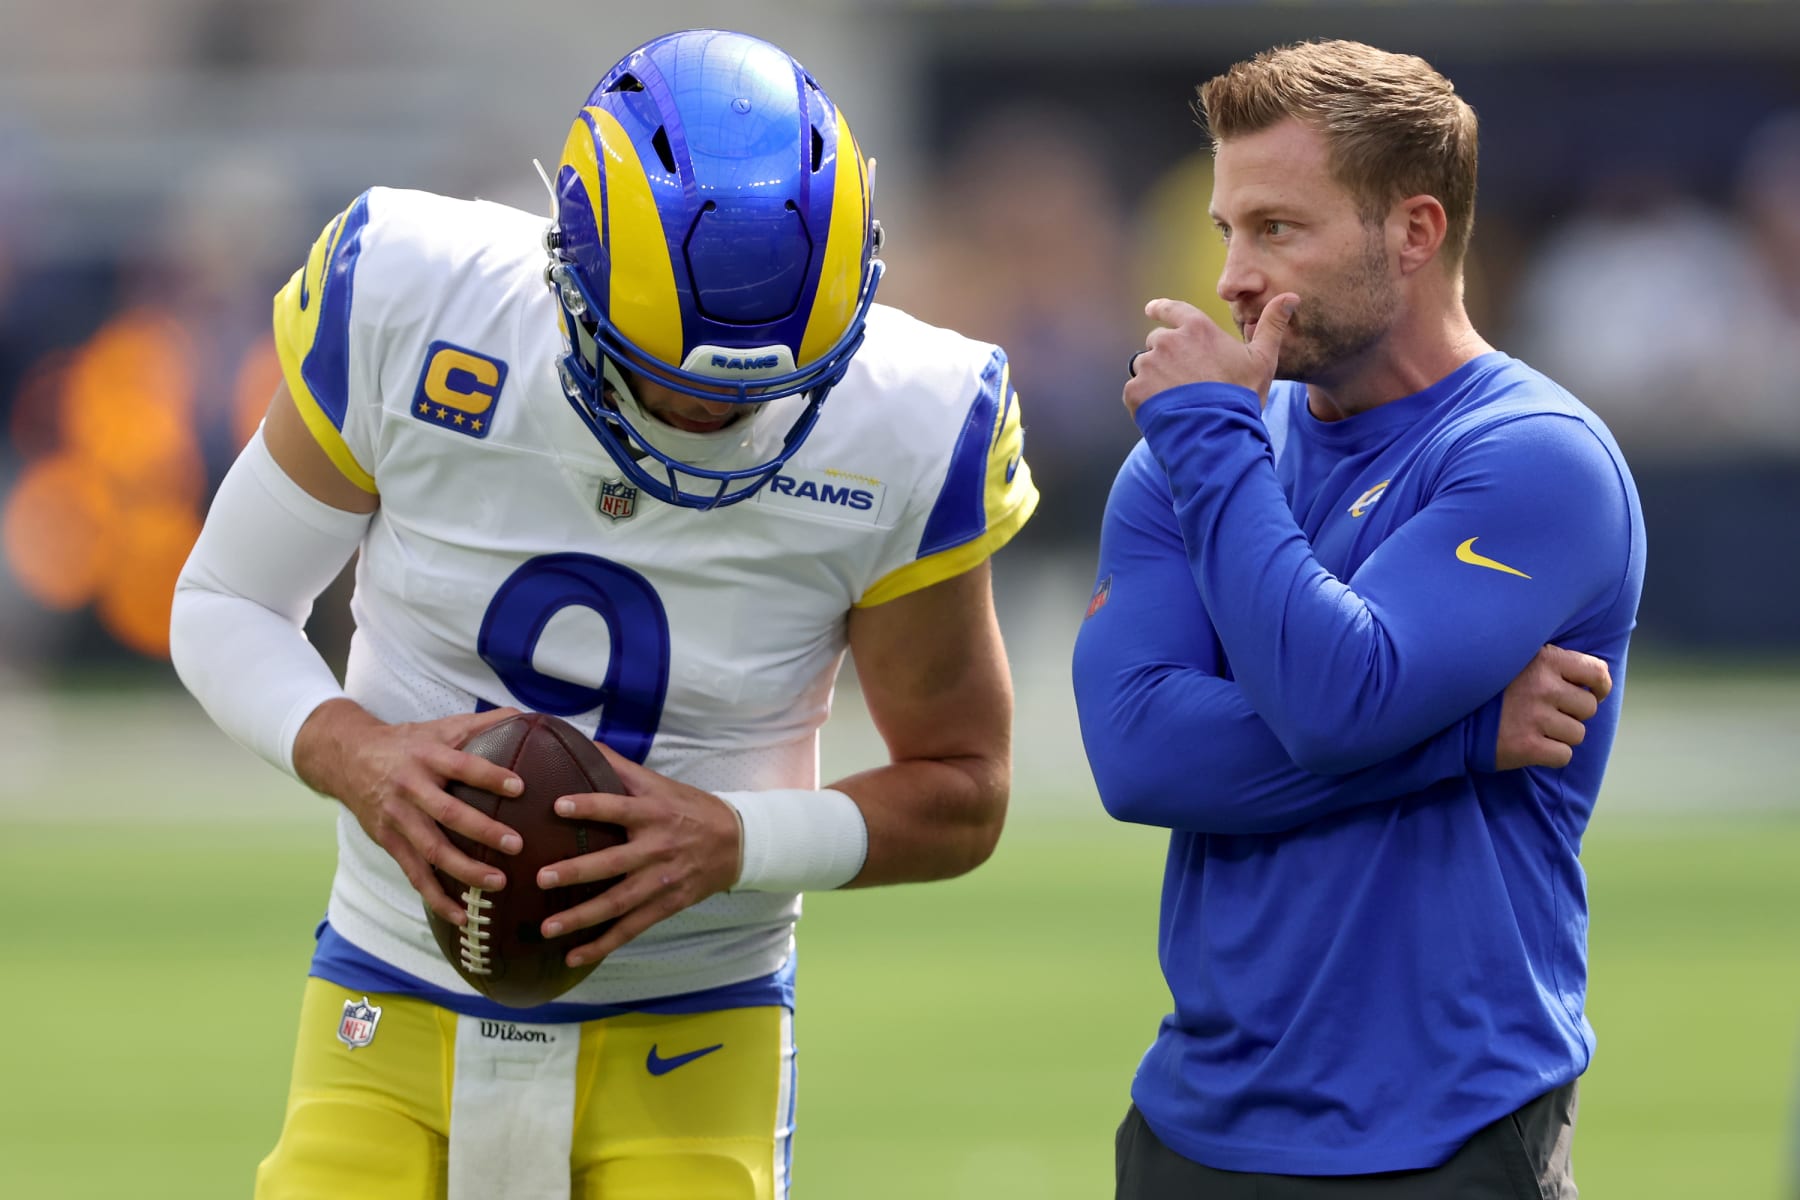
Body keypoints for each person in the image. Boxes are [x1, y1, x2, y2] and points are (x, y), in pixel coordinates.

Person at [169, 29, 1035, 1200]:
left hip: (696, 1011)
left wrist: (736, 839)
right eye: (663, 376)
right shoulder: (414, 298)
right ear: (567, 263)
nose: (707, 423)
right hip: (389, 971)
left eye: (762, 393)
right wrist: (354, 753)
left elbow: (963, 791)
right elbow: (226, 600)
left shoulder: (915, 414)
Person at [1071, 40, 1645, 1199]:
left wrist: (1209, 447)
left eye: (1277, 229)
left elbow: (1341, 702)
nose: (1232, 275)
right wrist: (1464, 737)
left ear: (1416, 232)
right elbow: (1137, 756)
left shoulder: (1534, 459)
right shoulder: (1204, 450)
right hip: (1193, 1126)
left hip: (1448, 1132)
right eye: (1229, 227)